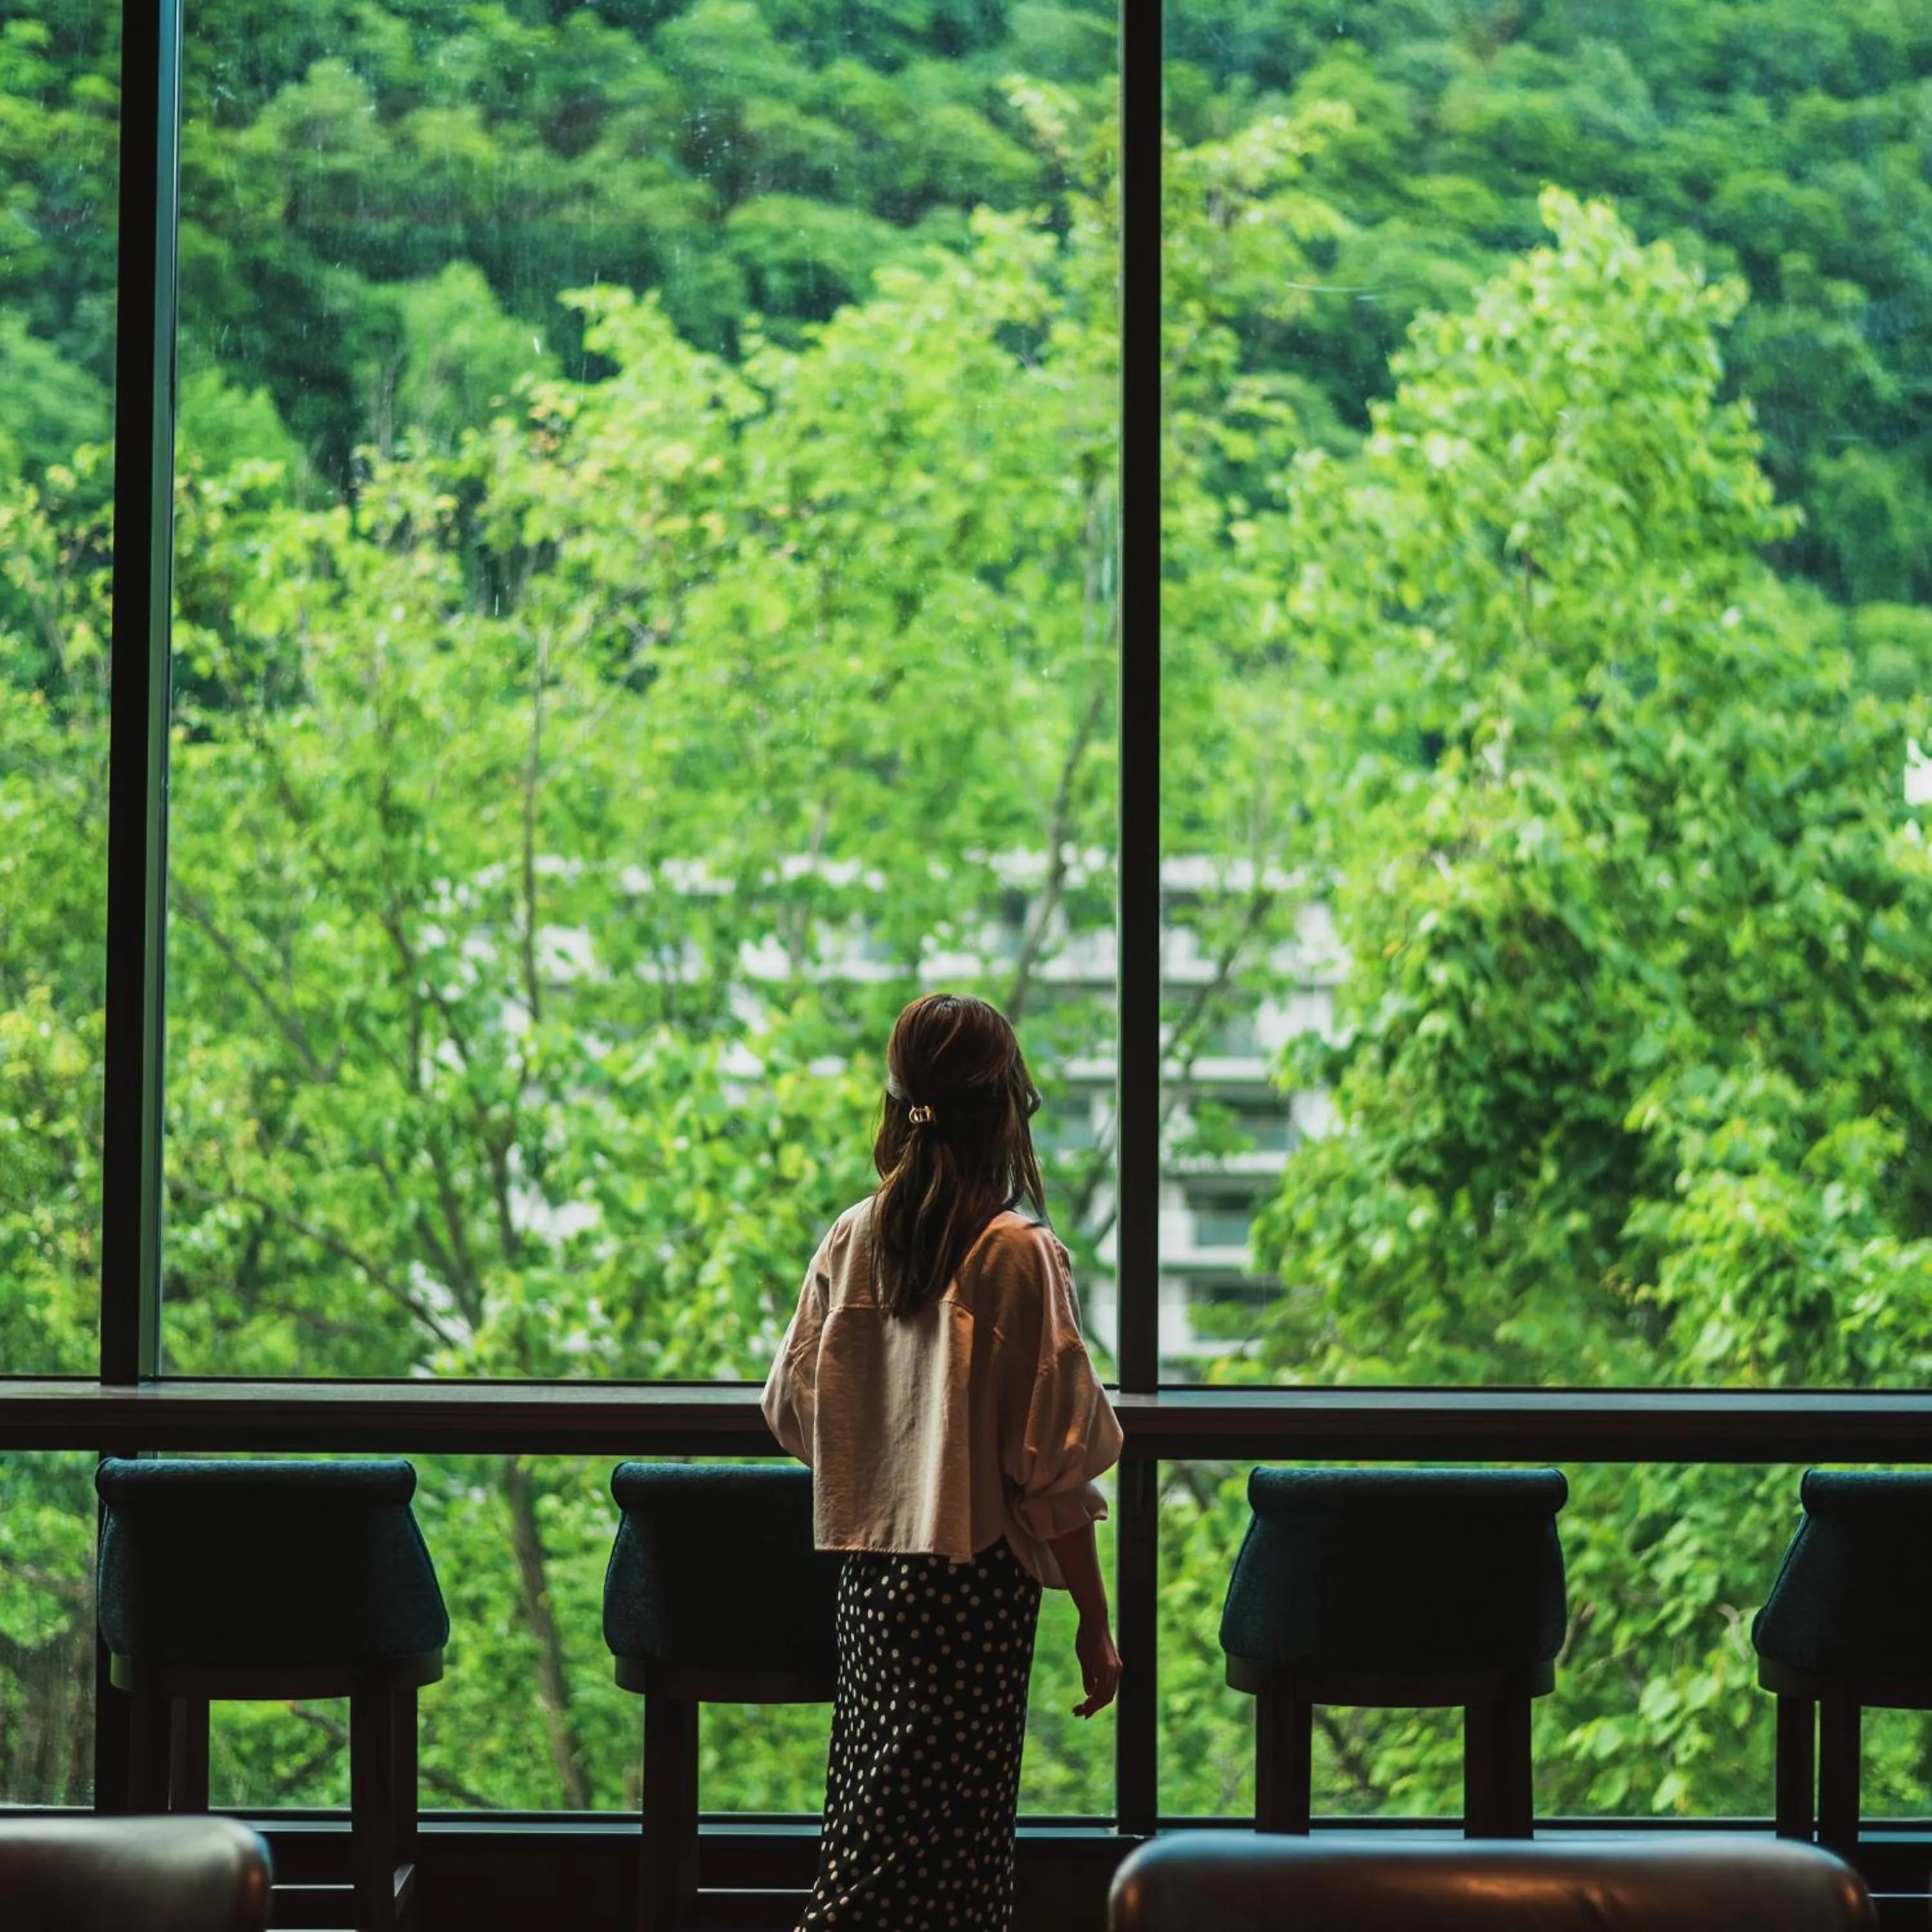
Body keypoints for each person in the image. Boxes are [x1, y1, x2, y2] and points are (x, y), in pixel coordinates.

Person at [761, 990, 1124, 1932]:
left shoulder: (855, 1235)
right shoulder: (1016, 1253)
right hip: (975, 1591)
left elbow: (793, 1407)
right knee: (950, 1859)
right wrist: (1093, 1615)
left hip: (870, 1584)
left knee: (873, 1833)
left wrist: (886, 1459)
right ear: (1006, 1105)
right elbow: (1053, 1470)